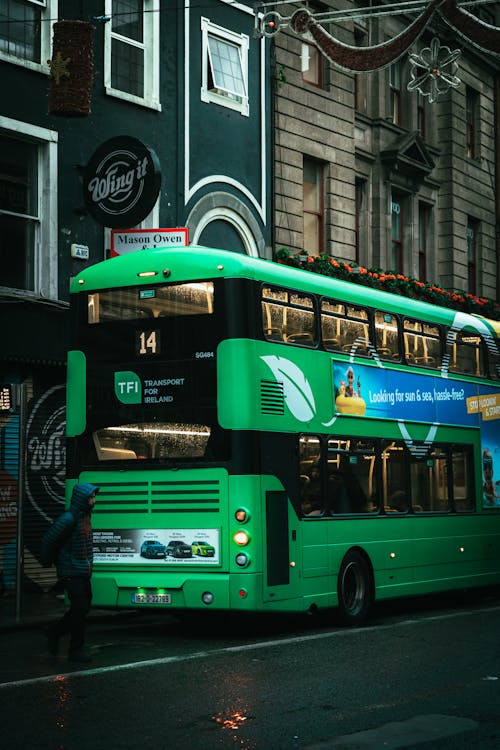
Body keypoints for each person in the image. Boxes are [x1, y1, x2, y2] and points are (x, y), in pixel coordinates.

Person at [44, 483, 99, 663]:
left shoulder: (84, 517)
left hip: (81, 571)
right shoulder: (69, 519)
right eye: (91, 497)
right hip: (71, 571)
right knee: (80, 608)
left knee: (83, 607)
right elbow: (49, 539)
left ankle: (55, 632)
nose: (94, 500)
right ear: (82, 499)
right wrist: (49, 561)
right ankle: (75, 650)